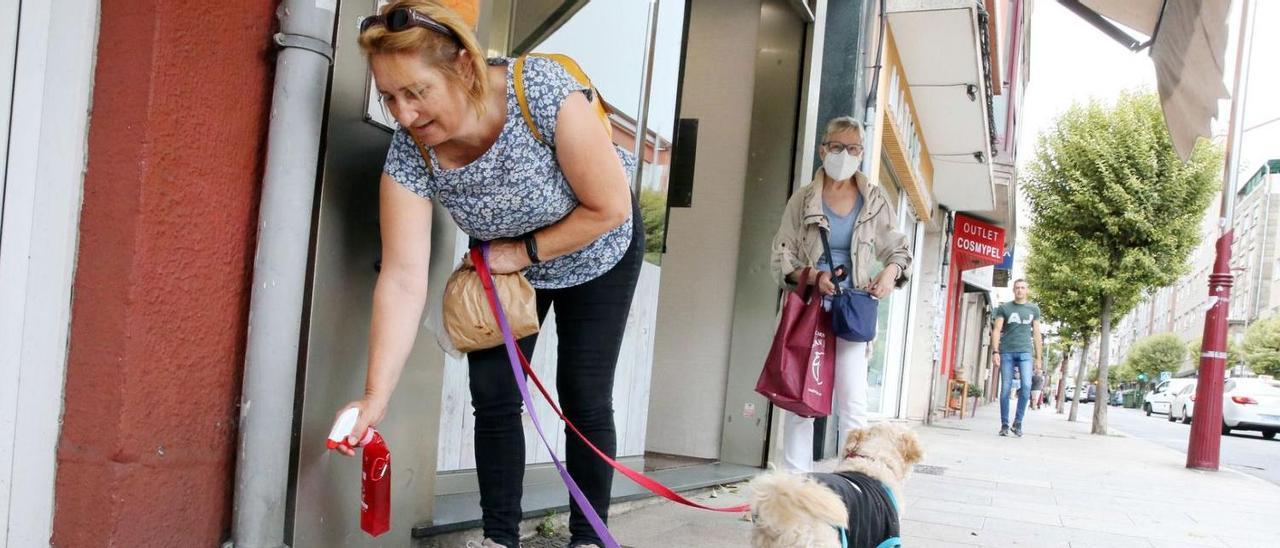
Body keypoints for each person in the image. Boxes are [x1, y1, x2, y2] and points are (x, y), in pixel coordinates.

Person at [332, 3, 643, 547]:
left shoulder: (540, 90)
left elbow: (610, 207)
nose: (403, 115)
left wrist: (522, 252)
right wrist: (375, 393)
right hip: (502, 262)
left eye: (416, 92)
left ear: (464, 67)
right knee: (494, 393)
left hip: (595, 250)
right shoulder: (412, 153)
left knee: (584, 395)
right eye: (389, 98)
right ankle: (500, 537)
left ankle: (589, 536)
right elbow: (404, 277)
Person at [769, 116, 912, 472]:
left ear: (862, 153)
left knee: (853, 404)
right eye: (837, 146)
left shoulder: (874, 200)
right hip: (810, 310)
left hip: (852, 313)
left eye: (853, 148)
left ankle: (854, 483)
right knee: (801, 402)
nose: (844, 154)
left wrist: (889, 274)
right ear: (822, 149)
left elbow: (899, 250)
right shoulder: (803, 200)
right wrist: (814, 276)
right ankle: (794, 489)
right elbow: (780, 256)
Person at [991, 279, 1043, 437]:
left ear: (1027, 290)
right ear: (1013, 290)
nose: (1020, 290)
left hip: (1025, 352)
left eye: (1023, 288)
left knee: (1027, 386)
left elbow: (1036, 334)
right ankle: (1005, 424)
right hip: (1006, 351)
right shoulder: (1004, 308)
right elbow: (997, 329)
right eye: (1017, 288)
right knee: (1005, 388)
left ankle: (1018, 422)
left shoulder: (1033, 309)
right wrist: (995, 351)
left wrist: (1038, 358)